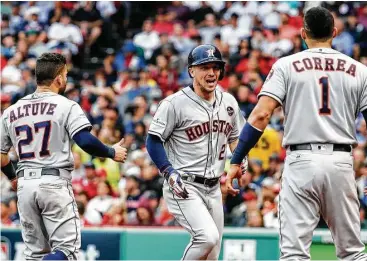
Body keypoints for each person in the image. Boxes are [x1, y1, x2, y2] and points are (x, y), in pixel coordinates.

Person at [226, 6, 367, 260]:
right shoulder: (359, 70)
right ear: (334, 33)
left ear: (303, 33)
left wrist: (236, 159)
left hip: (301, 160)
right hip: (341, 161)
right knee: (353, 253)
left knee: (294, 254)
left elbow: (260, 114)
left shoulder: (287, 65)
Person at [0, 53, 128, 260]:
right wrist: (111, 152)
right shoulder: (65, 105)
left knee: (35, 254)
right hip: (53, 181)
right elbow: (85, 141)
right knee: (66, 251)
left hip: (25, 185)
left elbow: (1, 156)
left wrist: (12, 177)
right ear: (59, 78)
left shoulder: (12, 111)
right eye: (65, 74)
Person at [146, 44, 247, 260]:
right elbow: (153, 140)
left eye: (215, 67)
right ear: (192, 70)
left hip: (214, 188)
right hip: (184, 185)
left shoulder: (228, 102)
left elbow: (234, 138)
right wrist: (168, 171)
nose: (211, 73)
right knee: (206, 238)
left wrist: (239, 159)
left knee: (213, 254)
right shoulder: (174, 104)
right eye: (204, 67)